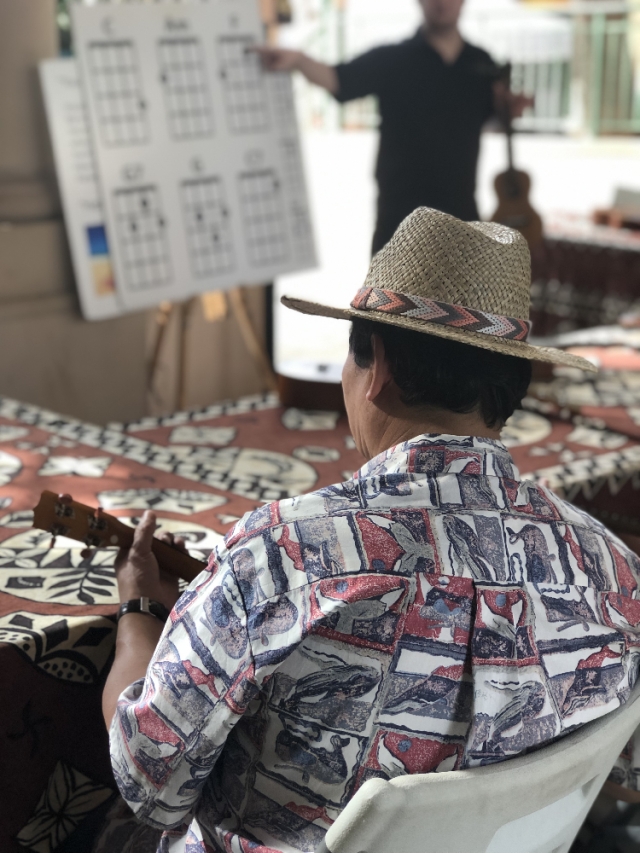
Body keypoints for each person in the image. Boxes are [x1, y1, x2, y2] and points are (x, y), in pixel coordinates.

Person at [105, 208, 640, 853]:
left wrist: (138, 611)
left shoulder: (279, 559)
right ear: (510, 383)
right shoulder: (612, 570)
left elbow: (146, 782)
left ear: (377, 364)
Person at [255, 0, 530, 253]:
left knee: (457, 305)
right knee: (387, 305)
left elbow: (487, 119)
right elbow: (339, 79)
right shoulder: (393, 59)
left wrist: (507, 112)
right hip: (399, 218)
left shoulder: (482, 63)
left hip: (461, 214)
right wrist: (298, 60)